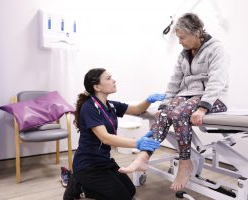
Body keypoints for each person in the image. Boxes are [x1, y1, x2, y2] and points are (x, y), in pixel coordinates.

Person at [119, 13, 229, 191]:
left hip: (213, 98)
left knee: (178, 114)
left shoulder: (216, 49)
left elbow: (217, 81)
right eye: (178, 37)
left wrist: (202, 108)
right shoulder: (184, 55)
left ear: (197, 32)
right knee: (163, 113)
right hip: (188, 96)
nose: (180, 42)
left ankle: (185, 163)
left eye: (182, 37)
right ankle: (144, 156)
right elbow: (174, 82)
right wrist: (164, 105)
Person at [63, 68, 165, 200]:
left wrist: (149, 100)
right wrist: (137, 143)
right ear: (97, 87)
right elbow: (105, 138)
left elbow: (137, 109)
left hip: (104, 161)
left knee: (130, 190)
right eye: (108, 78)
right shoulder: (89, 107)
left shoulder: (110, 105)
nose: (114, 80)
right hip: (88, 166)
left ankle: (83, 187)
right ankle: (78, 184)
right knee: (122, 197)